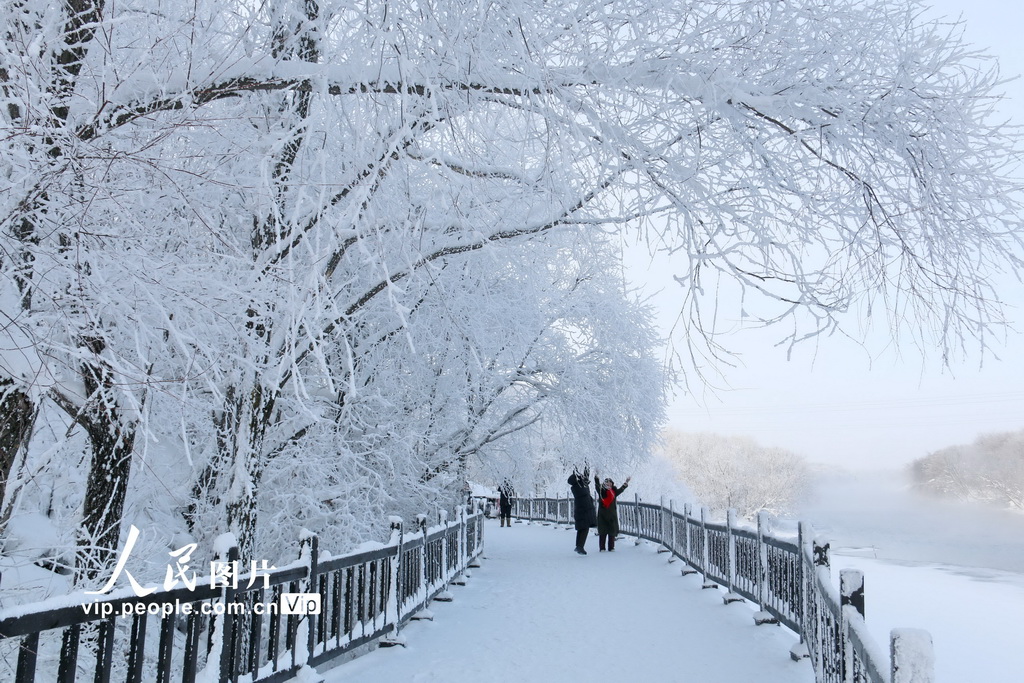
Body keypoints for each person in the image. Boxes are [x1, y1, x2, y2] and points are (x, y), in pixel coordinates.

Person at [594, 474, 630, 551]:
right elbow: (597, 486)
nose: (608, 484)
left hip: (612, 515)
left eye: (610, 482)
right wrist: (596, 478)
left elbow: (621, 490)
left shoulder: (614, 492)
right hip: (602, 515)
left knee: (612, 531)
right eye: (607, 482)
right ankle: (602, 547)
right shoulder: (601, 491)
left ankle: (611, 547)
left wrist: (625, 483)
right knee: (603, 532)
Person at [567, 469, 596, 554]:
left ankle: (579, 546)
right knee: (584, 529)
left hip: (581, 510)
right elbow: (585, 484)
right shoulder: (579, 487)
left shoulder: (576, 487)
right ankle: (580, 546)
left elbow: (585, 482)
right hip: (584, 510)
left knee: (581, 529)